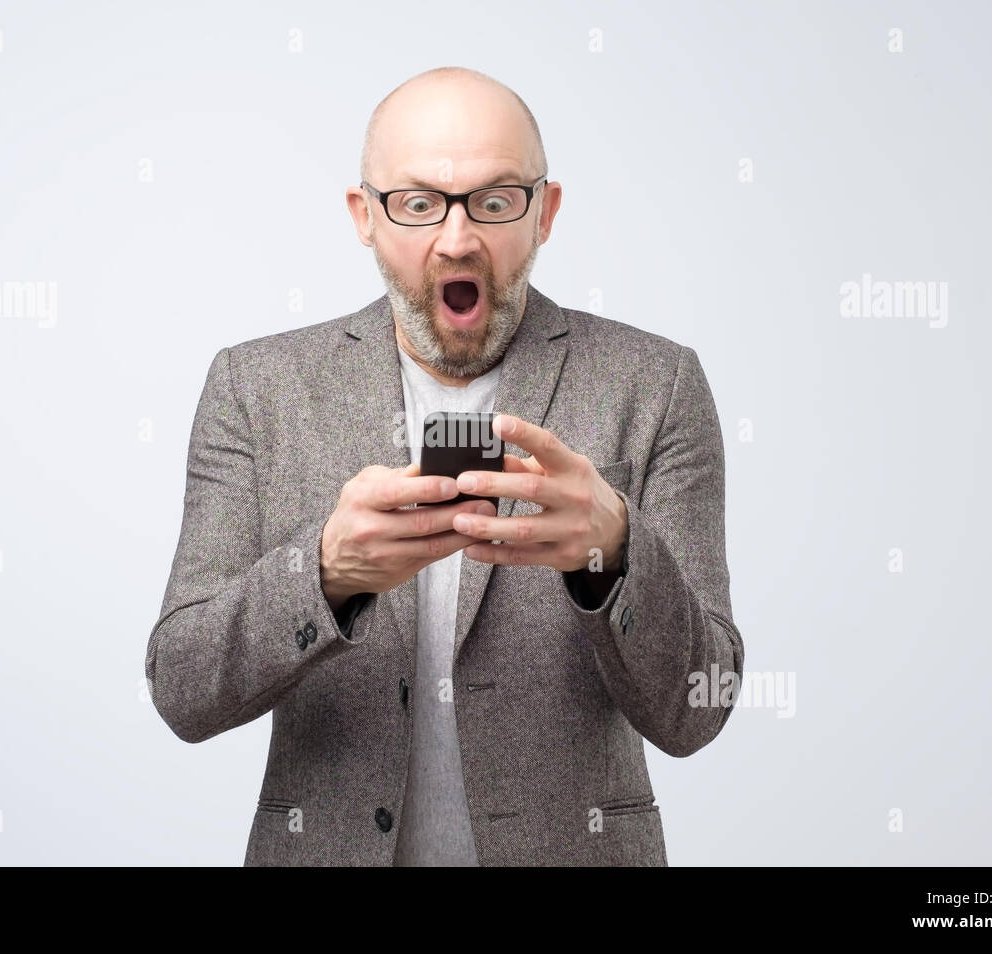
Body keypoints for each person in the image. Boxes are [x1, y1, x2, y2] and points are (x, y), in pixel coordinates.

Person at [145, 66, 744, 866]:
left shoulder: (657, 384)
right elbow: (183, 689)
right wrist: (321, 573)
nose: (457, 238)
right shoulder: (255, 389)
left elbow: (697, 710)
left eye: (495, 202)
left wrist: (616, 551)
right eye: (419, 203)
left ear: (545, 214)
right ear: (365, 215)